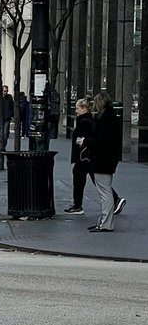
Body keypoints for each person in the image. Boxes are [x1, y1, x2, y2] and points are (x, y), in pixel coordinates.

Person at [83, 90, 125, 231]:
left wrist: (86, 141)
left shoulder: (105, 120)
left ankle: (106, 223)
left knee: (104, 192)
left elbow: (100, 140)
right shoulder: (111, 118)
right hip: (108, 159)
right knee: (105, 191)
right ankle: (103, 221)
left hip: (102, 159)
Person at [65, 97, 93, 214]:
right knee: (97, 180)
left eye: (77, 108)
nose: (75, 111)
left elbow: (80, 140)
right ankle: (115, 199)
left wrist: (79, 145)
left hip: (83, 157)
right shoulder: (88, 120)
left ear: (84, 109)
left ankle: (77, 205)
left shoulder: (84, 122)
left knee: (79, 180)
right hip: (86, 156)